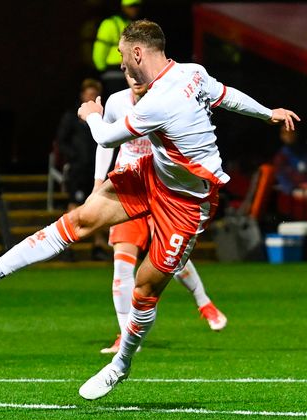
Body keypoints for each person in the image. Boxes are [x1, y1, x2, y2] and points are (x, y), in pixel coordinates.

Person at [0, 19, 299, 401]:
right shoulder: (192, 73)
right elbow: (225, 94)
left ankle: (121, 364)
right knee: (80, 219)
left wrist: (90, 112)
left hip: (188, 204)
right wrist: (267, 112)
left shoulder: (160, 101)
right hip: (153, 176)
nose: (123, 67)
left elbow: (106, 135)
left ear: (139, 53)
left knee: (145, 287)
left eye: (124, 58)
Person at [93, 71, 227, 354]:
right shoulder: (117, 102)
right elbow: (105, 142)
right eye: (128, 72)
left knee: (170, 260)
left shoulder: (166, 101)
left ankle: (204, 303)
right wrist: (97, 183)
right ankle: (124, 336)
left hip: (162, 189)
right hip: (129, 190)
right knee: (121, 268)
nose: (134, 77)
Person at [57, 78, 102, 207]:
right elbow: (61, 141)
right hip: (77, 170)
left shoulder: (102, 117)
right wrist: (74, 156)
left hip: (95, 171)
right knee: (75, 205)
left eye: (94, 95)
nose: (90, 98)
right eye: (88, 94)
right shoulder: (72, 116)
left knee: (93, 207)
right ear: (82, 95)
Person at [92, 0, 142, 97]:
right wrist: (101, 69)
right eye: (132, 6)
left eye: (137, 6)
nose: (135, 9)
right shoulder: (109, 24)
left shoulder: (131, 23)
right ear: (123, 7)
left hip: (128, 72)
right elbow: (100, 49)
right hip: (112, 72)